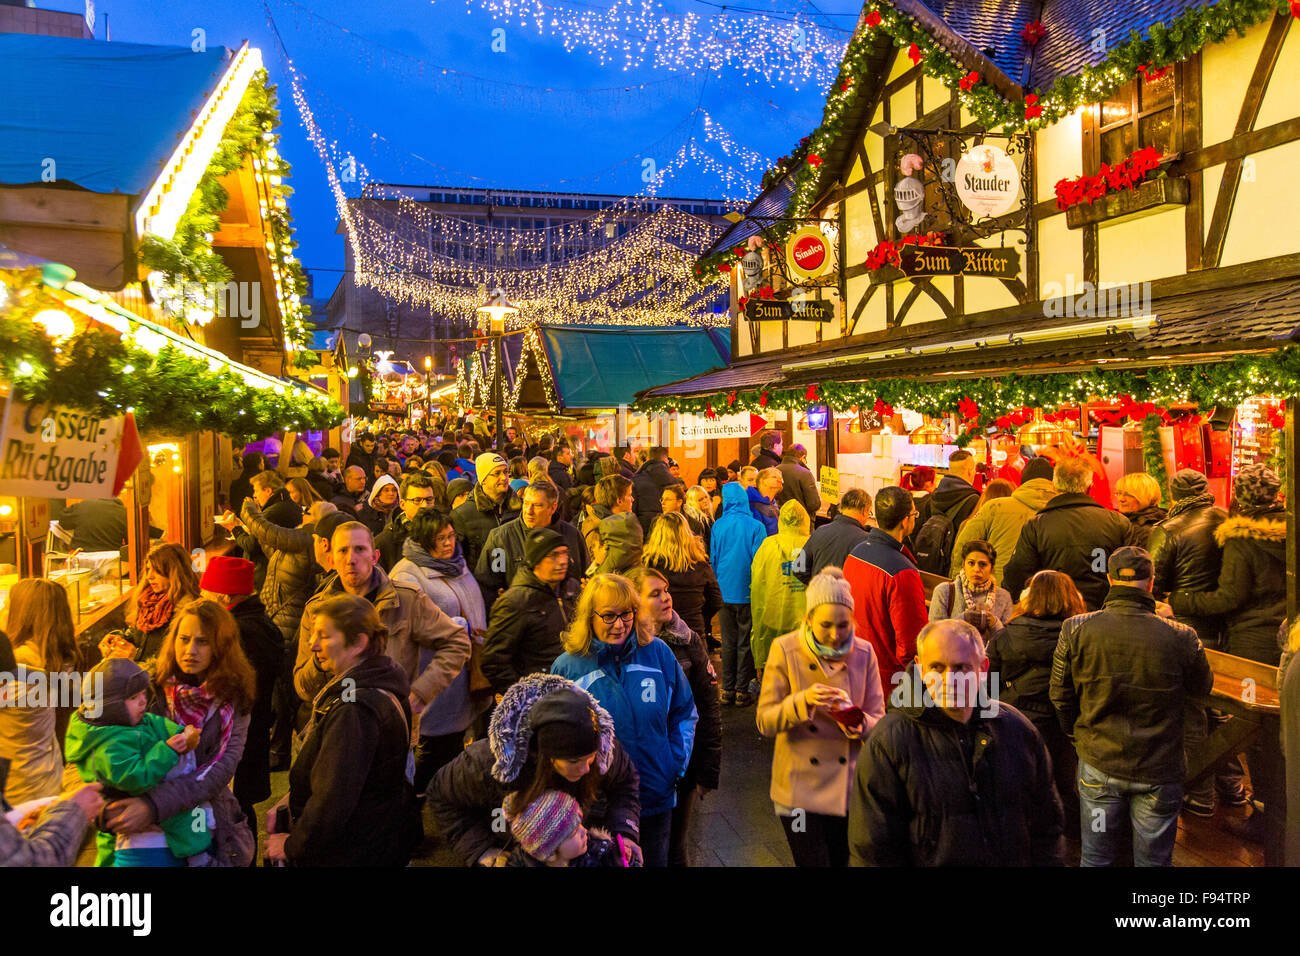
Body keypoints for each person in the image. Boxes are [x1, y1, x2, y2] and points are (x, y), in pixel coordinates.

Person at [848, 618, 1064, 866]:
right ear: (919, 668)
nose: (949, 680)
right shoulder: (888, 742)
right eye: (937, 667)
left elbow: (1047, 827)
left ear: (983, 669)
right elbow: (873, 850)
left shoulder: (1018, 731)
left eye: (961, 667)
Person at [1051, 547, 1212, 866]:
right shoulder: (1182, 636)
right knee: (1153, 861)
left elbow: (1060, 695)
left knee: (1095, 857)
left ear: (1110, 579)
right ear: (1151, 583)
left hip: (1099, 761)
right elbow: (1201, 688)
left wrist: (1078, 738)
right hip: (1159, 766)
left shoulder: (1076, 628)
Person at [1168, 463, 1286, 841]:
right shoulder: (1291, 532)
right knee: (1281, 727)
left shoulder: (1241, 538)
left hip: (1251, 645)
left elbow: (1230, 597)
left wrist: (1181, 599)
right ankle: (1278, 808)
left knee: (1256, 731)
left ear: (1242, 497)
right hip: (1286, 639)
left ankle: (1266, 816)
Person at [551, 573, 697, 868]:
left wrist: (674, 765)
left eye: (626, 614)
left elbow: (684, 712)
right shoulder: (568, 667)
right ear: (589, 616)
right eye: (608, 616)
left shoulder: (658, 653)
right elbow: (556, 738)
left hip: (656, 796)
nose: (619, 625)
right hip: (597, 806)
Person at [98, 600, 257, 868]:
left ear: (221, 646)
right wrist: (100, 807)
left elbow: (217, 772)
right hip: (139, 831)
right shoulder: (147, 685)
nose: (190, 650)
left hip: (200, 819)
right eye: (184, 639)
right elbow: (101, 743)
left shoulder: (234, 699)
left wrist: (152, 806)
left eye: (203, 642)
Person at [265, 594, 420, 866]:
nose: (313, 646)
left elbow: (333, 800)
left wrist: (292, 846)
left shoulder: (355, 709)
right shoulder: (382, 684)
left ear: (359, 642)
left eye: (324, 636)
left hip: (352, 852)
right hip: (377, 842)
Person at [428, 676, 642, 866]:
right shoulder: (488, 762)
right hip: (507, 850)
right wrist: (481, 850)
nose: (586, 769)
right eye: (574, 760)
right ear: (546, 756)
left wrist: (625, 833)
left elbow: (625, 783)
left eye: (590, 758)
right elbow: (441, 795)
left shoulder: (603, 748)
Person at [756, 566, 885, 867]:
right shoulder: (785, 650)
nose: (835, 635)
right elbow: (765, 721)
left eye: (843, 625)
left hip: (847, 790)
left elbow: (879, 722)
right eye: (825, 624)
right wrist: (803, 702)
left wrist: (858, 721)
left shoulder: (865, 653)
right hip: (798, 795)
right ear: (809, 618)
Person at [293, 522, 472, 723]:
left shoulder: (406, 600)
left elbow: (457, 641)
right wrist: (320, 658)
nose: (351, 559)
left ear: (375, 556)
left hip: (390, 730)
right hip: (335, 729)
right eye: (343, 551)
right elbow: (303, 688)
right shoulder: (316, 610)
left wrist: (420, 694)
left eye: (360, 549)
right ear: (331, 559)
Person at [65, 658, 212, 866]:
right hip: (126, 799)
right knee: (185, 819)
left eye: (144, 693)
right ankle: (200, 857)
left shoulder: (133, 720)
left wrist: (184, 733)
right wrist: (167, 750)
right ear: (110, 706)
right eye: (134, 697)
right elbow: (132, 777)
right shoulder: (108, 743)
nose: (143, 701)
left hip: (139, 805)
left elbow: (159, 724)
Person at [1147, 468, 1234, 816]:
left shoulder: (1169, 529)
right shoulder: (1226, 520)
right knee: (1222, 710)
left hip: (1184, 625)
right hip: (1224, 624)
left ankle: (1200, 792)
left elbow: (1152, 578)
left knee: (1192, 709)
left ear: (1174, 494)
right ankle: (1231, 786)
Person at [627, 566, 721, 868]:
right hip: (635, 765)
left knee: (674, 848)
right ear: (635, 602)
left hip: (679, 764)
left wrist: (707, 770)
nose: (667, 598)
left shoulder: (688, 639)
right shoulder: (625, 648)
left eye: (666, 591)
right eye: (655, 594)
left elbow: (706, 707)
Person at [390, 511, 487, 796]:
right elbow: (407, 628)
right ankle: (418, 801)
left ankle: (446, 796)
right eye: (440, 538)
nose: (448, 543)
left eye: (450, 536)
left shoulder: (458, 564)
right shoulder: (407, 574)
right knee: (433, 746)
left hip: (466, 669)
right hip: (435, 674)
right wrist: (457, 630)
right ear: (424, 540)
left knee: (455, 742)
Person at [985, 570, 1087, 836]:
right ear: (1071, 598)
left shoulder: (1005, 635)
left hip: (1012, 722)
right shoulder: (1079, 639)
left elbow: (989, 687)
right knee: (1060, 785)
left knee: (1014, 785)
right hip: (1060, 728)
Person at [1002, 456, 1136, 610]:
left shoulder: (1037, 526)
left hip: (1054, 613)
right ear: (1089, 486)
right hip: (1106, 613)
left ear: (1054, 486)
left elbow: (1017, 574)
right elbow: (1134, 571)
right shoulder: (1118, 522)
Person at [0, 579, 80, 804]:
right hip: (46, 775)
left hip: (18, 792)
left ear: (23, 614)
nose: (3, 611)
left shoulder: (19, 673)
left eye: (7, 605)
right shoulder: (56, 657)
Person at [843, 486, 928, 694]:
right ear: (906, 521)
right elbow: (910, 646)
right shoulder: (903, 572)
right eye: (914, 514)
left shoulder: (856, 552)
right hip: (888, 683)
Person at [480, 528, 579, 694]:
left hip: (572, 689)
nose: (562, 561)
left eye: (564, 553)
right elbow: (493, 661)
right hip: (540, 697)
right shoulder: (516, 602)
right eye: (554, 555)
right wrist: (526, 697)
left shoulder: (571, 588)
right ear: (536, 560)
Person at [475, 480, 587, 612]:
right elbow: (488, 586)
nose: (529, 511)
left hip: (564, 620)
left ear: (553, 507)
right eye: (526, 503)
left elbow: (584, 576)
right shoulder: (501, 539)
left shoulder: (572, 536)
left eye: (537, 505)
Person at [949, 456, 1055, 584]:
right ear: (1053, 482)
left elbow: (964, 544)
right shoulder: (1063, 514)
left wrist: (959, 583)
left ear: (1023, 481)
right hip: (1040, 595)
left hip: (994, 591)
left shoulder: (994, 507)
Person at [711, 482, 768, 706]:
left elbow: (713, 558)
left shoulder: (718, 525)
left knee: (728, 640)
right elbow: (759, 562)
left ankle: (727, 689)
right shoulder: (756, 527)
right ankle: (742, 691)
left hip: (724, 591)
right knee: (745, 641)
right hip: (747, 590)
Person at [115, 541, 201, 666]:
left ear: (174, 573)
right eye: (148, 569)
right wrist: (119, 639)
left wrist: (134, 657)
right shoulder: (147, 599)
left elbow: (174, 664)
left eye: (157, 571)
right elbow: (136, 634)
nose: (149, 576)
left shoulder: (188, 612)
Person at [750, 500, 811, 672]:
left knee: (778, 667)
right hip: (805, 620)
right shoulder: (813, 543)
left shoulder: (769, 545)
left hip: (774, 616)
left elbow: (757, 582)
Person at [642, 512, 723, 642]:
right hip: (693, 631)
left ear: (657, 536)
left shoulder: (649, 565)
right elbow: (716, 600)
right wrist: (700, 614)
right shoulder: (699, 564)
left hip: (659, 633)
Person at [502, 790, 625, 867]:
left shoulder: (599, 852)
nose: (585, 831)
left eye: (580, 824)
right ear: (550, 854)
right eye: (575, 832)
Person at [909, 449, 979, 574]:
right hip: (952, 566)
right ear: (969, 470)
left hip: (931, 561)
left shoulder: (934, 495)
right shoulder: (973, 499)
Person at [451, 452, 519, 573]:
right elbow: (458, 560)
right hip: (482, 585)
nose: (504, 477)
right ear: (483, 480)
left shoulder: (520, 507)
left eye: (505, 472)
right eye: (497, 473)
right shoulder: (462, 515)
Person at [928, 540, 1014, 627]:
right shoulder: (944, 591)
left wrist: (995, 624)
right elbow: (934, 631)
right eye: (971, 563)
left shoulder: (1004, 597)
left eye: (983, 564)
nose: (976, 569)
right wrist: (963, 618)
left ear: (991, 568)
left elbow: (1008, 638)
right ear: (963, 565)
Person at [796, 487, 871, 584]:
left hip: (818, 597)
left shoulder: (820, 531)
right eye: (869, 513)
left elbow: (799, 568)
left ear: (842, 507)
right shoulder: (865, 540)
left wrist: (817, 585)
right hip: (845, 597)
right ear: (865, 511)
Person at [374, 471, 438, 572]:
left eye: (429, 499)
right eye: (417, 500)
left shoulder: (444, 534)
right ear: (403, 504)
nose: (424, 505)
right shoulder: (385, 542)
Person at [59, 495, 129, 553]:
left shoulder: (82, 506)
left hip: (81, 558)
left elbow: (63, 523)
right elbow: (130, 543)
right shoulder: (123, 512)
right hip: (112, 560)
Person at [1115, 472, 1167, 549]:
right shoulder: (1164, 517)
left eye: (1128, 495)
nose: (1121, 499)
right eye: (1118, 493)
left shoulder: (1140, 530)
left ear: (1145, 497)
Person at [630, 446, 676, 534]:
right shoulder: (674, 481)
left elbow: (632, 510)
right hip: (670, 529)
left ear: (648, 458)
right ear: (665, 459)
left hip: (645, 531)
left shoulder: (636, 480)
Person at [776, 442, 822, 517]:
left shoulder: (775, 470)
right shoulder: (805, 473)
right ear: (803, 457)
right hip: (802, 520)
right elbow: (814, 504)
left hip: (782, 518)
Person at [358, 473, 399, 538]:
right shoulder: (364, 514)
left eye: (394, 490)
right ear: (378, 493)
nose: (391, 493)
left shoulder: (400, 513)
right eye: (386, 490)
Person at [228, 450, 266, 516]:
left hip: (240, 518)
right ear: (258, 465)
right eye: (262, 462)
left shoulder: (235, 484)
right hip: (257, 519)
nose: (263, 465)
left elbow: (234, 505)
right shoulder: (263, 482)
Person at [748, 467, 783, 536]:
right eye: (774, 477)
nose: (780, 480)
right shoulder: (752, 504)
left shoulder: (772, 502)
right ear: (762, 481)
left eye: (780, 477)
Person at [683, 484, 715, 550]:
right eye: (700, 500)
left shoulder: (707, 516)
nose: (705, 501)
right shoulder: (696, 520)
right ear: (692, 502)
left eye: (706, 497)